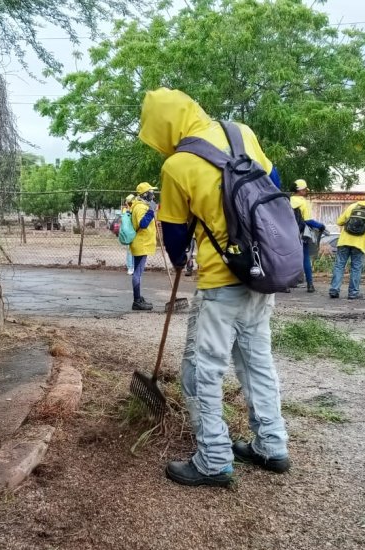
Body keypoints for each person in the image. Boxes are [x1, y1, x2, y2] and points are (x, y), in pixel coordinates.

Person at [138, 87, 290, 488]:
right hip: (261, 272)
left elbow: (173, 238)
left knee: (204, 371)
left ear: (164, 126)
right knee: (257, 361)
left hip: (221, 282)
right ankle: (271, 446)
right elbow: (273, 184)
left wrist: (180, 255)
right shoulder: (241, 132)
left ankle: (213, 459)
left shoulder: (178, 164)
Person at [329, 191, 365, 300]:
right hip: (359, 244)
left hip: (344, 241)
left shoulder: (352, 206)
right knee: (356, 268)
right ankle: (353, 293)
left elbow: (339, 222)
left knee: (339, 266)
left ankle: (334, 290)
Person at [290, 179, 326, 293]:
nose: (306, 191)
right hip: (300, 234)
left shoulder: (287, 200)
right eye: (305, 189)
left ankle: (286, 285)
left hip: (286, 234)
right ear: (300, 190)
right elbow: (308, 220)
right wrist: (320, 226)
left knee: (288, 258)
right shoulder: (303, 202)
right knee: (305, 258)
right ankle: (310, 285)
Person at [129, 183, 158, 311]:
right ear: (145, 194)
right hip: (141, 244)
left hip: (142, 243)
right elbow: (143, 224)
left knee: (138, 272)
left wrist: (151, 210)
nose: (153, 194)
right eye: (151, 192)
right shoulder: (140, 207)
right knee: (138, 273)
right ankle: (136, 301)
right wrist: (151, 211)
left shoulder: (141, 205)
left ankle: (138, 298)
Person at [123, 194, 136, 275]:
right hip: (129, 233)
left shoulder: (136, 209)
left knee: (136, 250)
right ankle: (130, 267)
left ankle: (134, 267)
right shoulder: (126, 210)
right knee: (129, 251)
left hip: (135, 232)